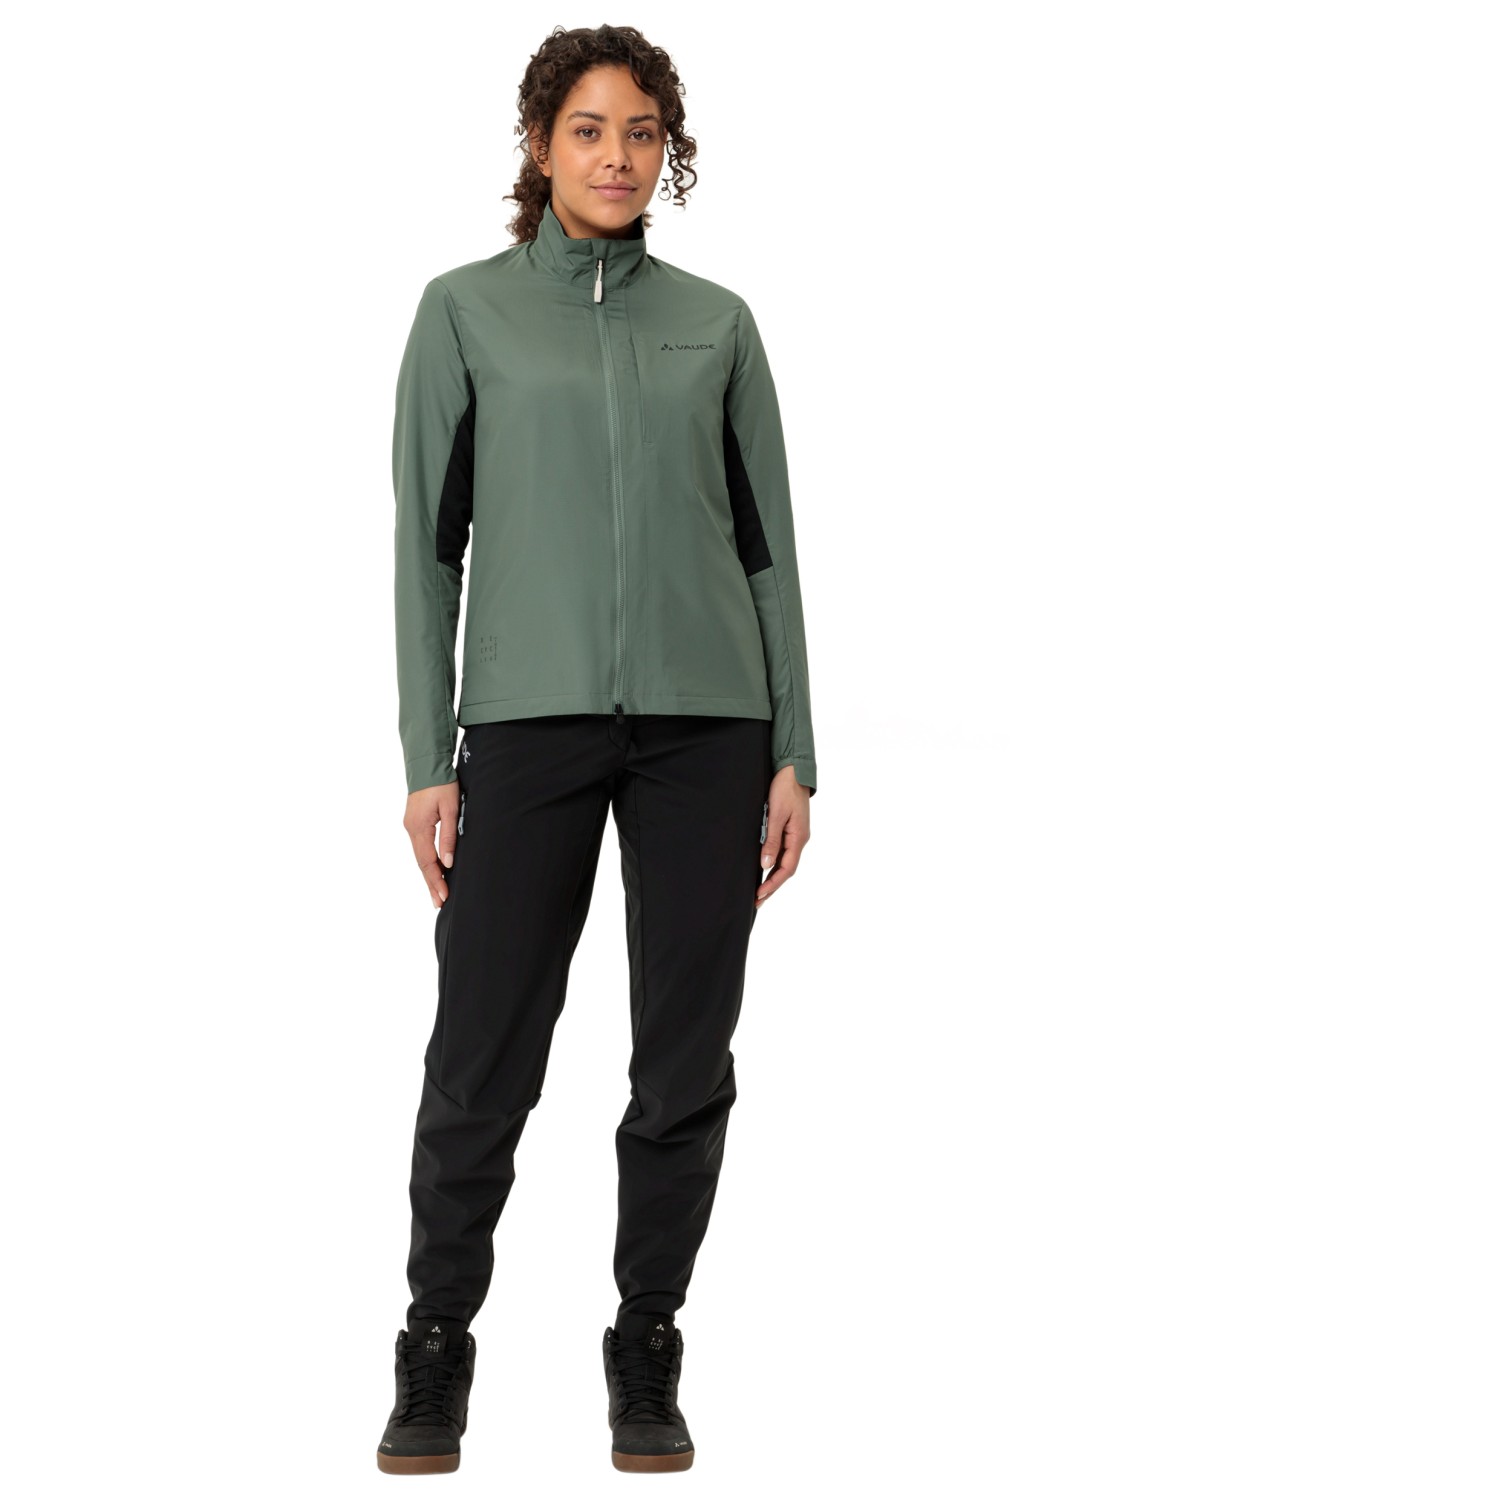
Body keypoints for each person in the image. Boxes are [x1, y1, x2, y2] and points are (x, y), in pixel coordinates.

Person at [374, 24, 819, 1477]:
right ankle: (436, 1338)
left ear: (666, 149)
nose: (616, 156)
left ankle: (647, 1339)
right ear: (539, 143)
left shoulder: (719, 324)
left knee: (685, 1054)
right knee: (483, 1045)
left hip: (710, 728)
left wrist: (794, 748)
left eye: (640, 132)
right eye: (588, 129)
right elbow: (426, 550)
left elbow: (768, 552)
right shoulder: (464, 314)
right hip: (526, 724)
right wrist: (428, 756)